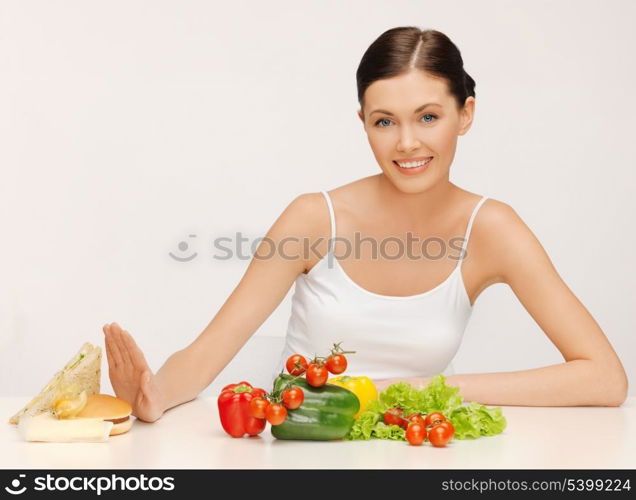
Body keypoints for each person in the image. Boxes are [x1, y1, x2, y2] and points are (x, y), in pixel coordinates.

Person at [102, 27, 628, 423]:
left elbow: (605, 378)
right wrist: (151, 398)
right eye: (384, 122)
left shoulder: (492, 228)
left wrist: (426, 388)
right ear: (363, 123)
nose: (406, 144)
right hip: (300, 452)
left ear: (465, 114)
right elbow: (205, 355)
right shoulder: (314, 218)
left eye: (428, 117)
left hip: (418, 454)